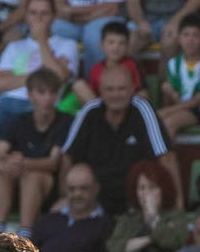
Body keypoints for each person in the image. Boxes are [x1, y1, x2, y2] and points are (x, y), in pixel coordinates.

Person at [62, 63, 173, 214]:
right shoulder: (89, 112)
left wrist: (176, 207)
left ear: (133, 89)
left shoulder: (143, 109)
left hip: (136, 200)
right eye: (110, 89)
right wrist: (64, 197)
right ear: (100, 90)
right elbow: (67, 157)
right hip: (94, 199)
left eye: (121, 89)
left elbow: (166, 157)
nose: (116, 95)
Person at [0, 0, 76, 138]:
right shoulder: (15, 46)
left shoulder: (67, 45)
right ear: (26, 16)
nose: (38, 19)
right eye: (33, 13)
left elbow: (58, 79)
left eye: (44, 14)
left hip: (38, 106)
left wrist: (41, 41)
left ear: (53, 16)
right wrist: (42, 74)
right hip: (6, 102)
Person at [0, 67, 71, 239]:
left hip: (49, 187)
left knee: (32, 176)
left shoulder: (65, 121)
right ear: (30, 95)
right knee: (2, 173)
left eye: (52, 93)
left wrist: (23, 162)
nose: (47, 98)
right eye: (41, 92)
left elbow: (53, 163)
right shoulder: (17, 120)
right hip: (17, 184)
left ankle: (26, 236)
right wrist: (5, 164)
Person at [29, 163, 113, 252]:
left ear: (96, 189)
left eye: (83, 188)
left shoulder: (105, 224)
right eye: (72, 189)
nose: (77, 194)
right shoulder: (49, 220)